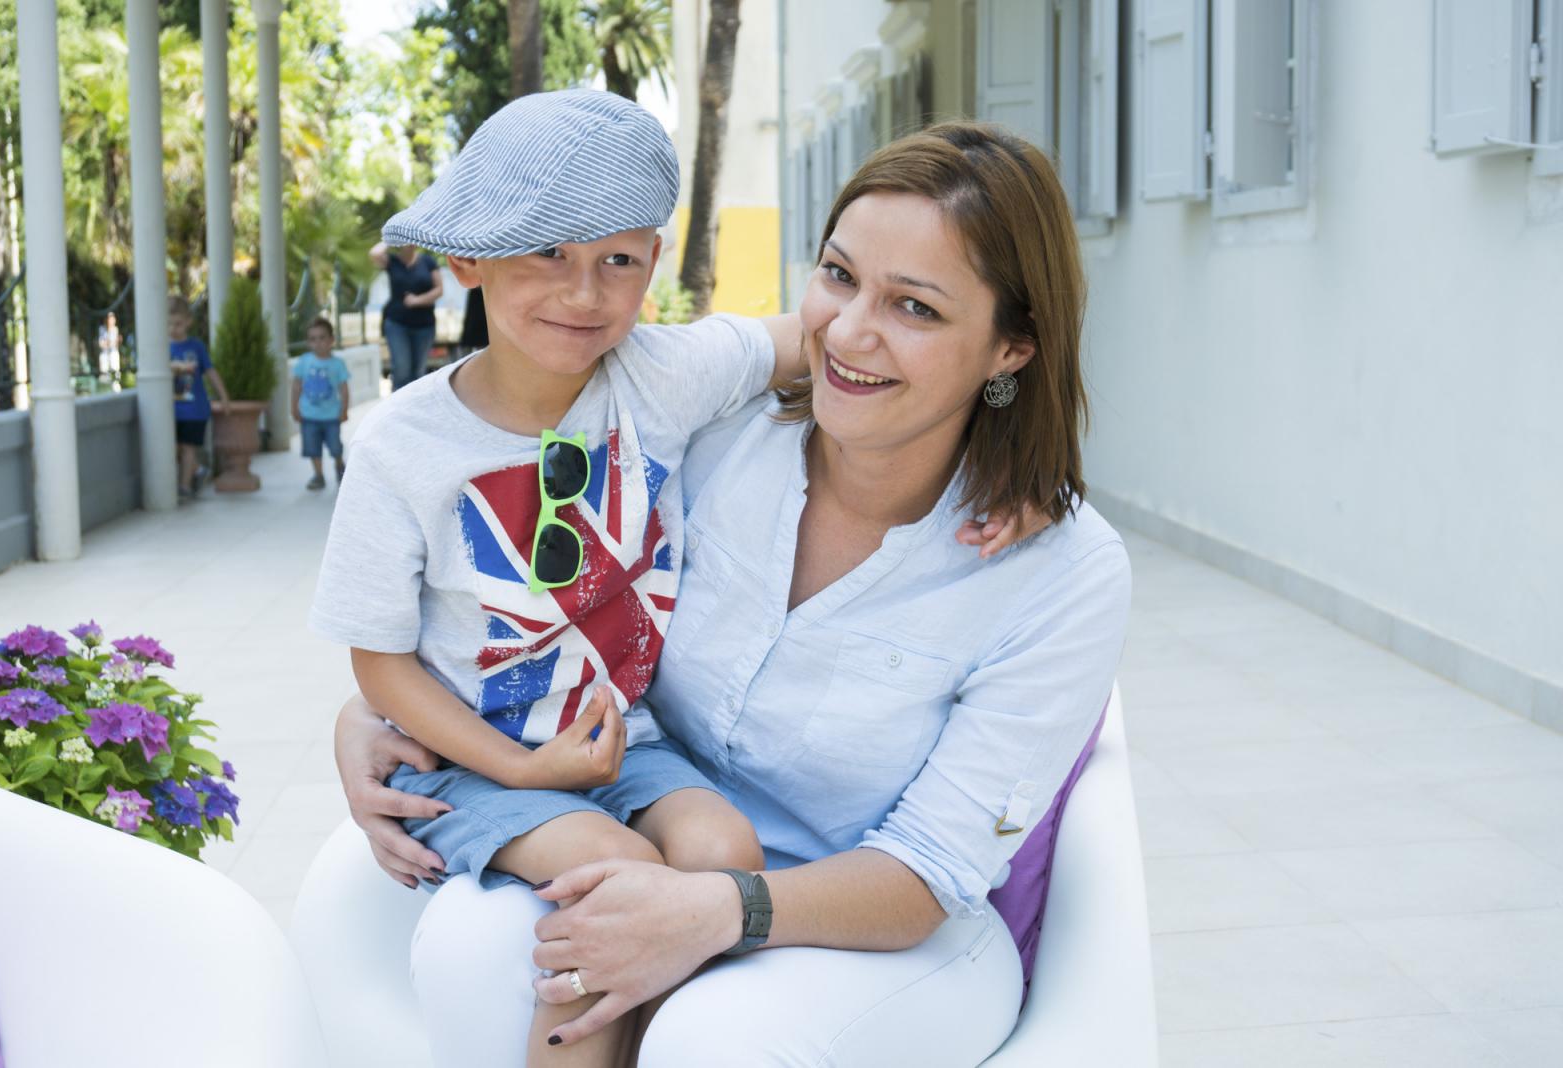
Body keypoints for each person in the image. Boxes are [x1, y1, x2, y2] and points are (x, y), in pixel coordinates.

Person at [333, 121, 1129, 1067]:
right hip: (640, 817)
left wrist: (714, 911)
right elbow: (502, 602)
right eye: (838, 275)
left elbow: (932, 870)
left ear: (1011, 349)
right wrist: (371, 719)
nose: (850, 331)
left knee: (716, 1038)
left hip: (879, 926)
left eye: (915, 307)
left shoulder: (1061, 571)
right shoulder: (709, 434)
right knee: (479, 955)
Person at [168, 295, 227, 500]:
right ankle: (197, 470)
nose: (173, 328)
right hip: (171, 410)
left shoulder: (196, 346)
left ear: (188, 322)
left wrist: (223, 396)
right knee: (174, 448)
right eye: (169, 324)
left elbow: (210, 372)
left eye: (178, 323)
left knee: (188, 447)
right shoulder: (161, 349)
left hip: (194, 410)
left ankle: (184, 487)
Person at [370, 239, 443, 392]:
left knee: (418, 372)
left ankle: (417, 405)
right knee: (401, 369)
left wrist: (417, 300)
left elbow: (439, 290)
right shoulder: (392, 261)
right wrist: (392, 237)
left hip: (424, 325)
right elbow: (374, 253)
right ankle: (398, 404)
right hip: (397, 324)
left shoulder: (427, 261)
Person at [291, 316, 351, 490]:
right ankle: (318, 475)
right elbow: (296, 386)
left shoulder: (337, 364)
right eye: (313, 339)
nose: (317, 343)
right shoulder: (304, 362)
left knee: (335, 445)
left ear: (331, 340)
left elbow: (344, 389)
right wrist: (294, 407)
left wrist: (344, 410)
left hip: (331, 416)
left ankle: (339, 464)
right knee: (312, 447)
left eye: (322, 338)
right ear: (308, 342)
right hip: (309, 416)